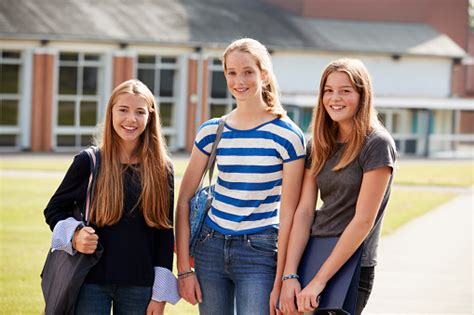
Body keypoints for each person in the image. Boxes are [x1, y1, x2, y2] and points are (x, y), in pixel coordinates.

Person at [175, 38, 306, 315]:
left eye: (248, 71)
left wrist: (282, 279)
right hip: (210, 247)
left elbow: (290, 215)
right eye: (231, 72)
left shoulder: (288, 135)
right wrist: (184, 270)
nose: (239, 80)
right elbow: (184, 199)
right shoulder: (213, 131)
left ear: (264, 74)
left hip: (260, 252)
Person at [44, 79, 179, 314]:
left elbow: (164, 234)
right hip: (90, 282)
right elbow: (54, 210)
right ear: (111, 113)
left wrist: (160, 295)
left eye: (140, 112)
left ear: (151, 116)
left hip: (140, 286)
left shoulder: (162, 169)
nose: (131, 119)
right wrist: (75, 235)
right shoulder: (88, 161)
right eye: (123, 110)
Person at [279, 58, 396, 314]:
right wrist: (290, 275)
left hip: (351, 262)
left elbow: (363, 221)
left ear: (362, 95)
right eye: (328, 90)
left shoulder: (376, 144)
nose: (335, 98)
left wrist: (319, 281)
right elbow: (304, 212)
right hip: (312, 252)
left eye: (345, 90)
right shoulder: (318, 144)